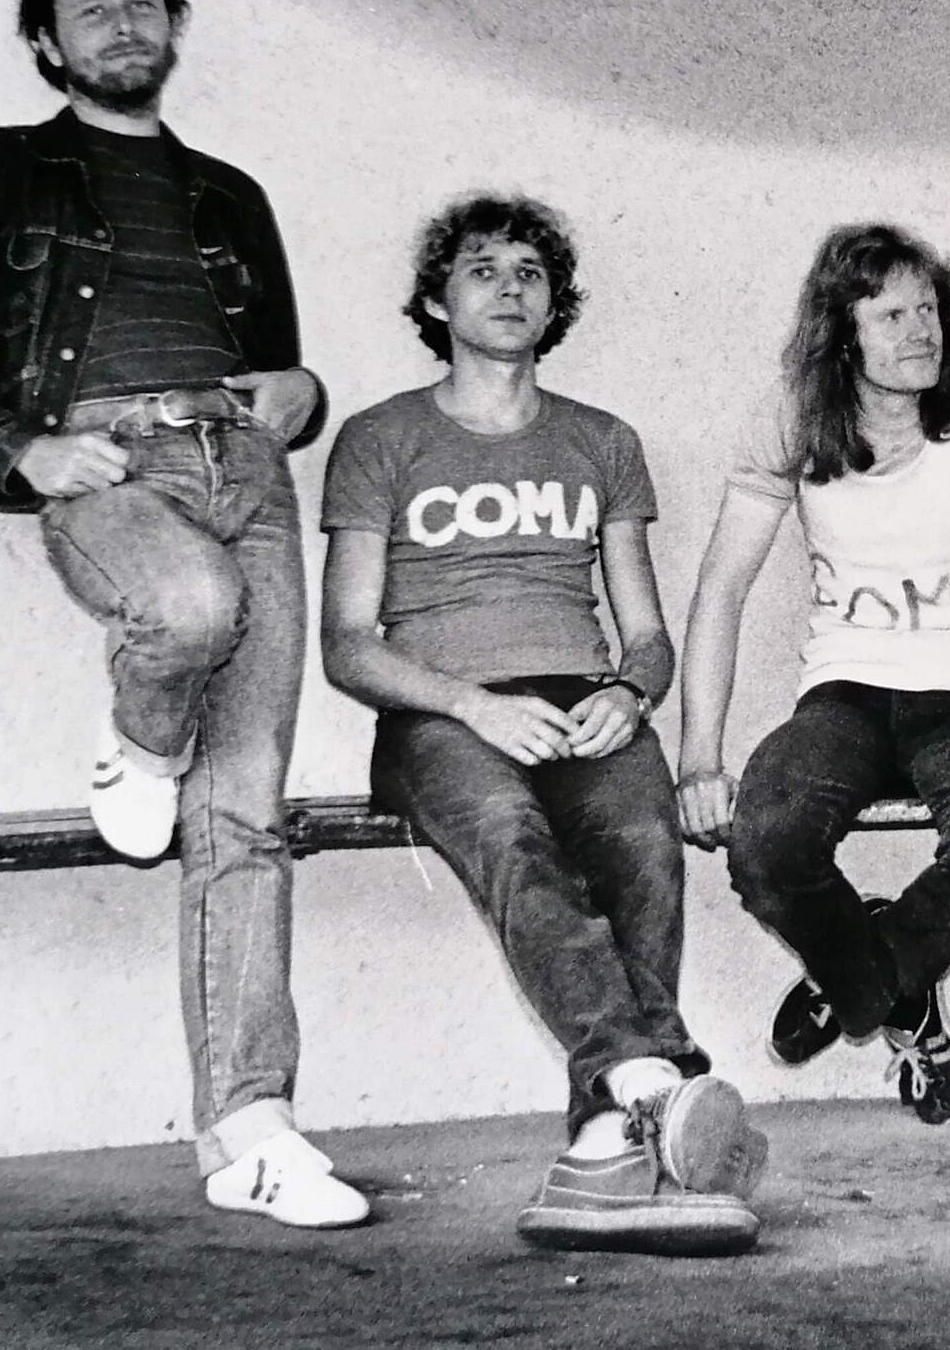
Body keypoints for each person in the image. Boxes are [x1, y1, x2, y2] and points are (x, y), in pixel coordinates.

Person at [0, 0, 364, 1228]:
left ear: (173, 23)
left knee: (246, 813)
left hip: (245, 466)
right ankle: (138, 745)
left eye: (142, 2)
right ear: (47, 40)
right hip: (110, 467)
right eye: (89, 8)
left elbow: (276, 365)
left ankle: (252, 1129)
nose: (121, 23)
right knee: (189, 609)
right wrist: (18, 448)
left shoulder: (229, 194)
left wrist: (304, 392)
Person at [321, 194, 765, 1254]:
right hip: (445, 709)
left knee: (646, 841)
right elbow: (346, 643)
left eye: (530, 272)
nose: (510, 287)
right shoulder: (381, 437)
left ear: (555, 302)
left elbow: (647, 634)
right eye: (483, 269)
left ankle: (610, 1136)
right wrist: (471, 703)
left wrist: (630, 693)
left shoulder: (601, 439)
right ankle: (657, 1078)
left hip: (583, 698)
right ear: (437, 301)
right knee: (514, 839)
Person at [676, 223, 950, 1126]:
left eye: (930, 309)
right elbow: (721, 587)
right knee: (766, 843)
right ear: (843, 334)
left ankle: (858, 973)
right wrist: (699, 758)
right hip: (849, 686)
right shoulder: (796, 413)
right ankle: (895, 995)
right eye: (893, 315)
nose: (922, 331)